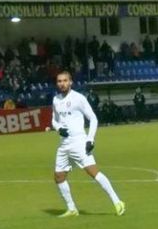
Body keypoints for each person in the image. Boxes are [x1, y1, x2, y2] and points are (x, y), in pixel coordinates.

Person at [49, 71, 125, 218]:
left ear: (71, 82)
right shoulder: (56, 100)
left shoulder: (79, 98)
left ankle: (118, 201)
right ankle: (72, 209)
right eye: (59, 81)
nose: (62, 84)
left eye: (65, 81)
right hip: (64, 144)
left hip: (79, 142)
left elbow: (93, 119)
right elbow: (54, 120)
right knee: (59, 176)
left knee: (93, 172)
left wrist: (90, 139)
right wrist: (59, 129)